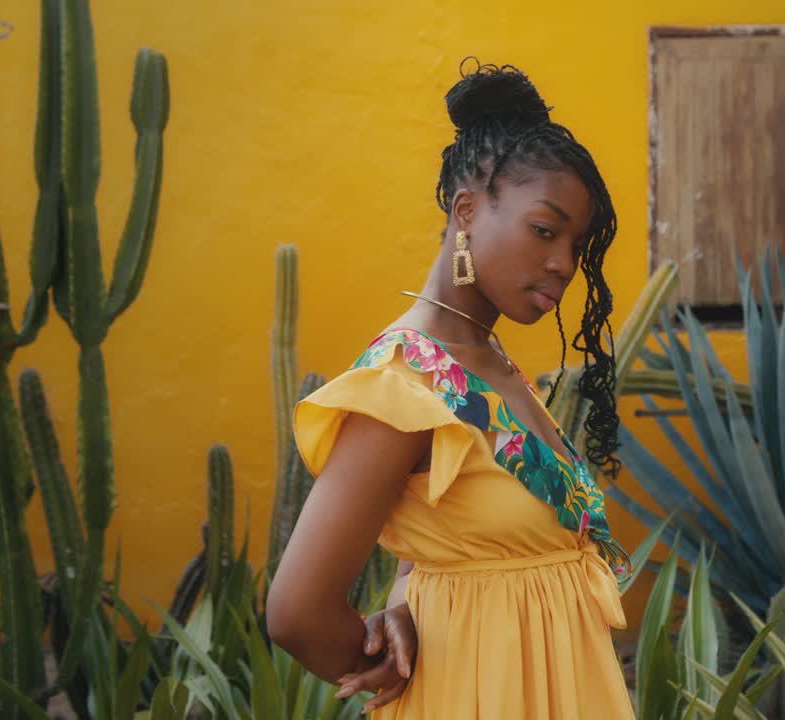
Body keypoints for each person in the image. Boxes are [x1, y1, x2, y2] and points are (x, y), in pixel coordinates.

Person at [266, 58, 635, 719]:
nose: (562, 262)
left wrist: (405, 603)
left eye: (575, 245)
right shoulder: (402, 386)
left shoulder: (487, 363)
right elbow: (297, 610)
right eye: (545, 230)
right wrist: (374, 656)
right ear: (466, 210)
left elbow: (439, 540)